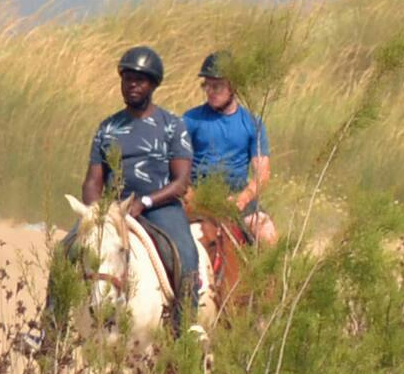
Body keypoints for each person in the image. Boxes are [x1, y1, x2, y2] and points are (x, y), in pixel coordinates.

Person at [82, 46, 202, 292]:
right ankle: (53, 324)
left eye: (139, 81)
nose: (132, 85)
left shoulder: (172, 125)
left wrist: (144, 202)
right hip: (114, 209)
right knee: (66, 249)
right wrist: (97, 212)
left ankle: (185, 324)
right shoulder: (107, 128)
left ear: (153, 85)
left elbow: (181, 183)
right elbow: (93, 181)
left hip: (160, 208)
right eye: (127, 80)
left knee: (187, 259)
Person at [180, 53, 276, 245]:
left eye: (216, 86)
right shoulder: (190, 119)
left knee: (268, 234)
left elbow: (262, 174)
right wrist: (191, 194)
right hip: (197, 197)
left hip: (238, 198)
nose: (210, 91)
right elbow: (177, 166)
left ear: (233, 86)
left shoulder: (252, 123)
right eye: (206, 85)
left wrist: (242, 198)